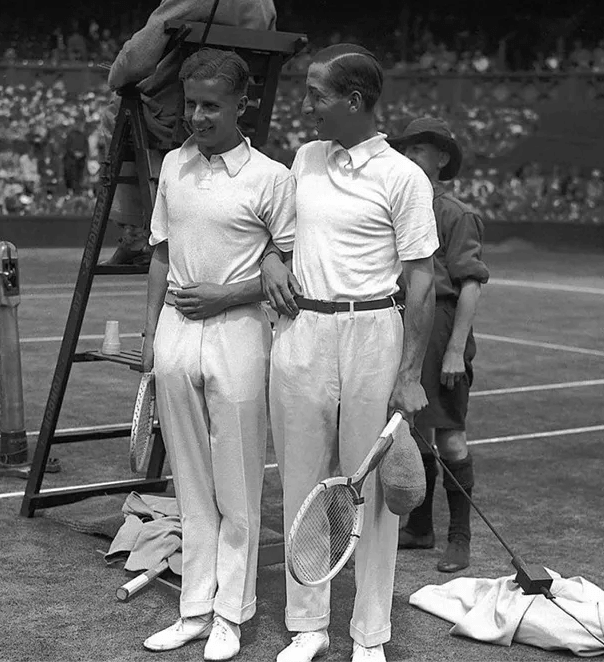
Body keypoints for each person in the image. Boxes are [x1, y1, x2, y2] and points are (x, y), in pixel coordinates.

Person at [260, 44, 438, 662]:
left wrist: (410, 373)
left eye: (317, 95)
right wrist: (271, 259)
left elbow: (421, 282)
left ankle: (370, 635)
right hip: (302, 332)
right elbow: (275, 230)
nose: (307, 107)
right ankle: (307, 627)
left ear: (354, 101)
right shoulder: (306, 157)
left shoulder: (404, 177)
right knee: (302, 482)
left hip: (373, 338)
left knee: (373, 495)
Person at [140, 48, 296, 661]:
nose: (198, 117)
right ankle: (195, 609)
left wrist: (224, 294)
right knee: (190, 485)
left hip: (238, 336)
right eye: (192, 104)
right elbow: (159, 253)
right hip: (175, 337)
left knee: (237, 488)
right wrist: (151, 341)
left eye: (211, 105)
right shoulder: (174, 167)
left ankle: (232, 613)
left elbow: (290, 272)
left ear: (242, 106)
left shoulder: (272, 177)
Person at [101, 0, 277, 266]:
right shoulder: (265, 4)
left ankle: (134, 232)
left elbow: (137, 58)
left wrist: (115, 77)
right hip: (239, 119)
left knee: (115, 112)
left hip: (180, 117)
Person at [388, 118, 490, 574]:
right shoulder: (401, 207)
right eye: (405, 147)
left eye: (419, 148)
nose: (408, 155)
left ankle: (460, 538)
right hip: (407, 324)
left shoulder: (455, 213)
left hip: (443, 326)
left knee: (449, 435)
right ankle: (421, 526)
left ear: (442, 157)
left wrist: (454, 349)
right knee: (414, 431)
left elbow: (469, 284)